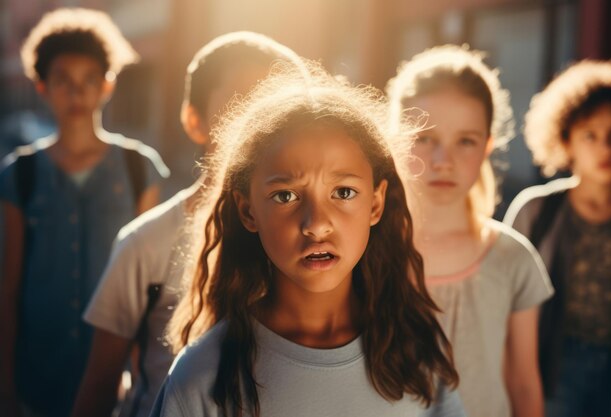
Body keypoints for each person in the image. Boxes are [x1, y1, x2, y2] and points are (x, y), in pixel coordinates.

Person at [149, 61, 465, 417]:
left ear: (375, 204)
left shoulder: (414, 348)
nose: (316, 225)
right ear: (248, 211)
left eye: (343, 192)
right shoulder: (203, 377)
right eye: (286, 196)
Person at [71, 31, 304, 417]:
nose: (267, 127)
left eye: (283, 111)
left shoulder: (318, 235)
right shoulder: (146, 243)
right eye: (245, 105)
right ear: (194, 120)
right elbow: (98, 388)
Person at [0, 8, 168, 417]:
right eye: (63, 81)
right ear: (41, 86)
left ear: (107, 86)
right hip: (36, 380)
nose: (77, 94)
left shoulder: (138, 168)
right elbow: (8, 286)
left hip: (118, 387)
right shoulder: (19, 174)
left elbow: (153, 285)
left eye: (89, 80)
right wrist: (4, 388)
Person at [386, 44, 554, 417]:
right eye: (424, 138)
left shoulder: (513, 257)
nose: (442, 161)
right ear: (394, 139)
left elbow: (524, 384)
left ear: (487, 147)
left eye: (465, 141)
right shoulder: (364, 253)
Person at [503, 60, 611, 417]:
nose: (605, 147)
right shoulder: (536, 210)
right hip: (550, 370)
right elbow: (504, 293)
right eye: (590, 134)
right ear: (566, 139)